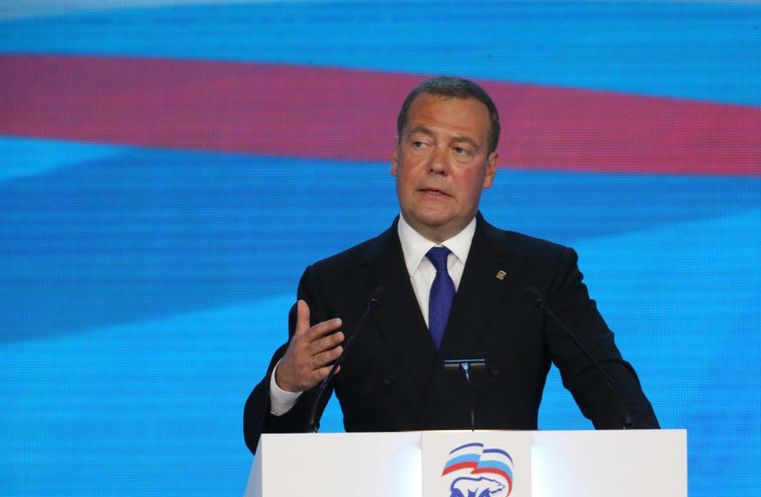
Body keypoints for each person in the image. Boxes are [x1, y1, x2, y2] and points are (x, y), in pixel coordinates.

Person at [243, 76, 658, 454]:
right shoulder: (336, 283)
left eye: (460, 150)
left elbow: (617, 400)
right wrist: (286, 384)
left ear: (489, 170)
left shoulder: (541, 274)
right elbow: (272, 450)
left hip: (502, 496)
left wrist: (644, 466)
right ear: (395, 155)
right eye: (421, 144)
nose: (437, 165)